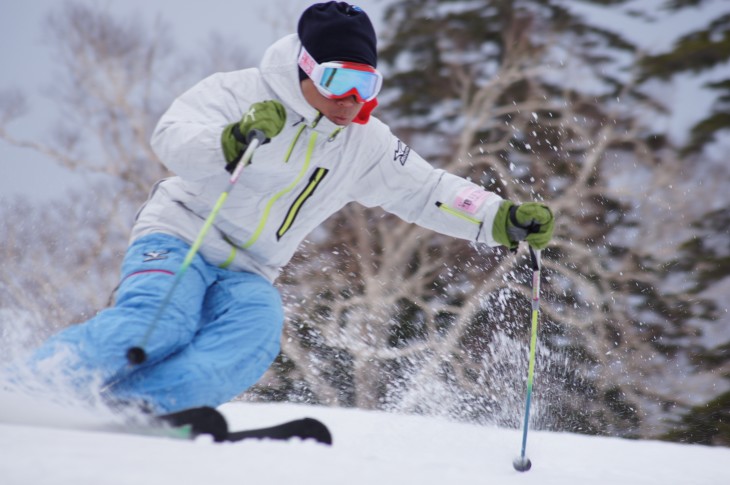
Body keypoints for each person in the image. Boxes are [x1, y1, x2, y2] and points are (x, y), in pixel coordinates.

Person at [28, 2, 554, 414]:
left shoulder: (364, 143)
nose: (351, 98)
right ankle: (28, 388)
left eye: (365, 83)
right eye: (337, 80)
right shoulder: (242, 95)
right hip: (182, 235)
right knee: (160, 324)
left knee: (253, 338)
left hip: (253, 268)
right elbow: (172, 136)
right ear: (305, 68)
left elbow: (425, 189)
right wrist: (229, 141)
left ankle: (141, 409)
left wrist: (497, 218)